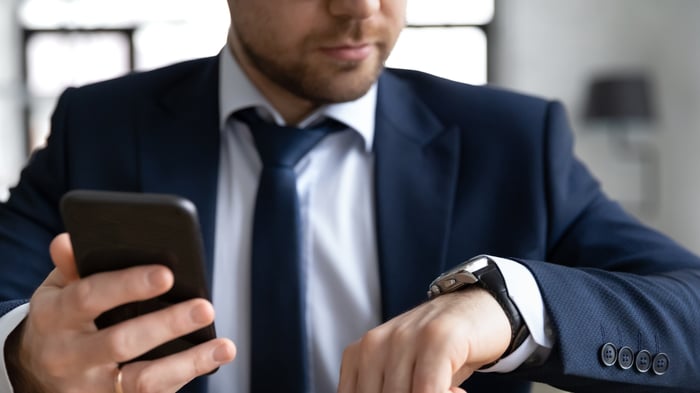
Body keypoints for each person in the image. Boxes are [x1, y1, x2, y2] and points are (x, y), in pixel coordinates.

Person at [1, 0, 700, 392]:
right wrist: (24, 355)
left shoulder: (517, 141)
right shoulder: (95, 127)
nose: (361, 8)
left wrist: (518, 303)